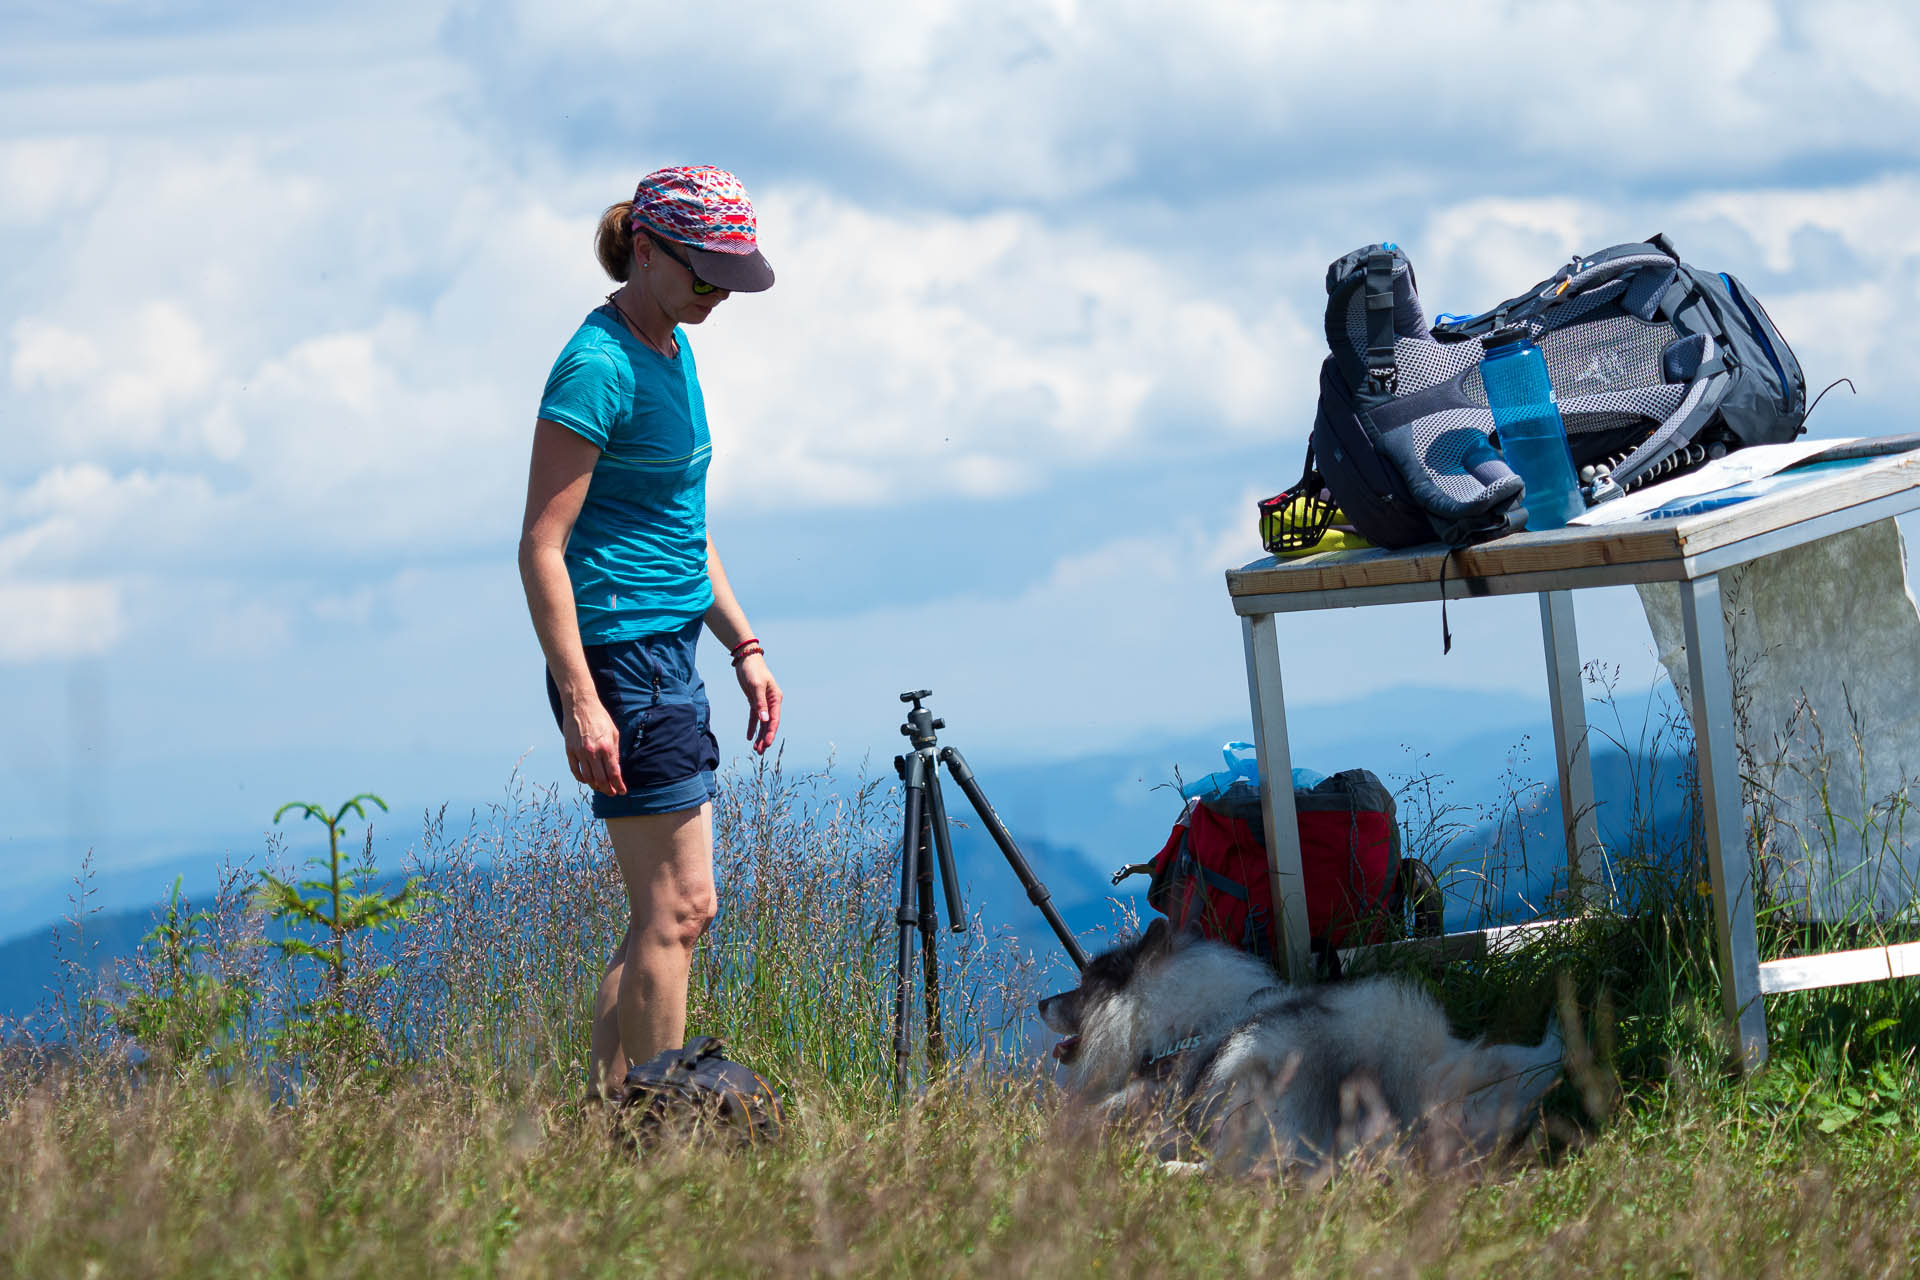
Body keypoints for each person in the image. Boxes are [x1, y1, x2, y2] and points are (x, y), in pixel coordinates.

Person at [518, 165, 782, 1101]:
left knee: (657, 918)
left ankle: (605, 1115)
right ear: (646, 248)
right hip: (621, 659)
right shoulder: (599, 366)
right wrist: (584, 701)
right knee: (681, 910)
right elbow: (541, 548)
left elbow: (680, 519)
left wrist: (742, 643)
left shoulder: (671, 344)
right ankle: (667, 1144)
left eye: (728, 276)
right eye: (703, 272)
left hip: (670, 646)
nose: (718, 293)